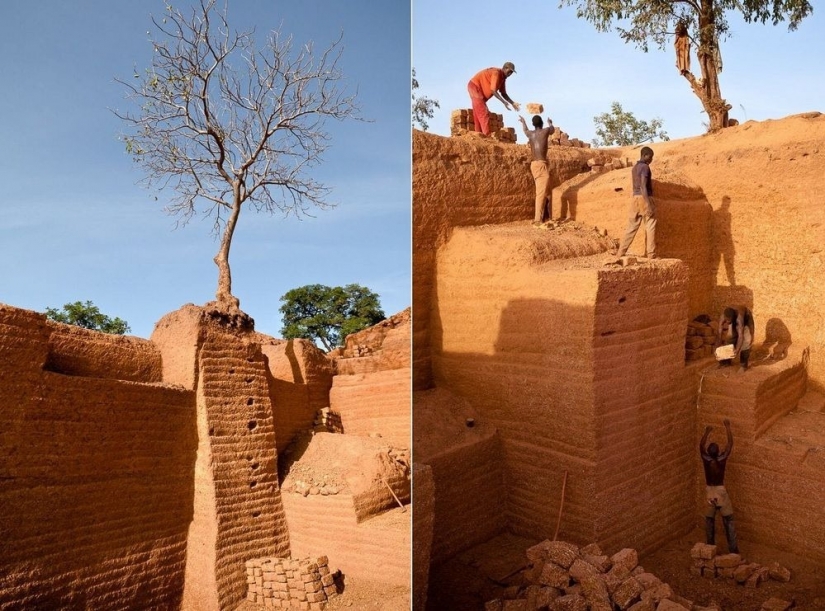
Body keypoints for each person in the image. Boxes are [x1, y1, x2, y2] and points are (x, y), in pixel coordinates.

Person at [700, 419, 739, 553]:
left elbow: (701, 446)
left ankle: (710, 547)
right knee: (728, 520)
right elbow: (730, 444)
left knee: (710, 520)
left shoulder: (706, 459)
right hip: (720, 492)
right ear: (718, 452)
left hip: (709, 492)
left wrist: (707, 432)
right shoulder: (721, 460)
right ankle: (733, 550)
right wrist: (727, 427)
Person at [615, 146, 656, 259]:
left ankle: (621, 252)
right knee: (650, 224)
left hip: (635, 198)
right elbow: (643, 186)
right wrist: (648, 204)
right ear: (645, 155)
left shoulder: (634, 168)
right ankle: (651, 254)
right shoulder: (645, 168)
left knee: (632, 226)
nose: (651, 159)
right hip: (644, 197)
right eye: (650, 157)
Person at [519, 115, 555, 226]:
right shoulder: (545, 131)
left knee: (548, 192)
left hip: (534, 165)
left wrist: (523, 122)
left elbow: (525, 130)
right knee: (540, 193)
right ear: (542, 123)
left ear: (533, 125)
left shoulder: (530, 134)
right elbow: (552, 130)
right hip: (541, 165)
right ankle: (537, 220)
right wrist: (550, 123)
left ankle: (547, 216)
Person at [467, 62, 521, 136]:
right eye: (509, 71)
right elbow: (493, 90)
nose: (510, 74)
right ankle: (487, 136)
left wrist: (513, 103)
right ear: (505, 68)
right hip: (475, 86)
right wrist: (504, 102)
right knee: (484, 113)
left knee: (478, 113)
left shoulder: (503, 78)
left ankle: (478, 135)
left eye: (511, 72)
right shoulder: (496, 73)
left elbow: (503, 93)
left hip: (476, 88)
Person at [716, 306, 755, 371]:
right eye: (726, 320)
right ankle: (726, 362)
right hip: (734, 318)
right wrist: (717, 349)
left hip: (747, 318)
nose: (727, 322)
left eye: (729, 320)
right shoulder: (723, 317)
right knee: (729, 339)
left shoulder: (739, 319)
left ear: (733, 318)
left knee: (746, 342)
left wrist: (737, 350)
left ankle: (743, 365)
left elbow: (740, 336)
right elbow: (719, 334)